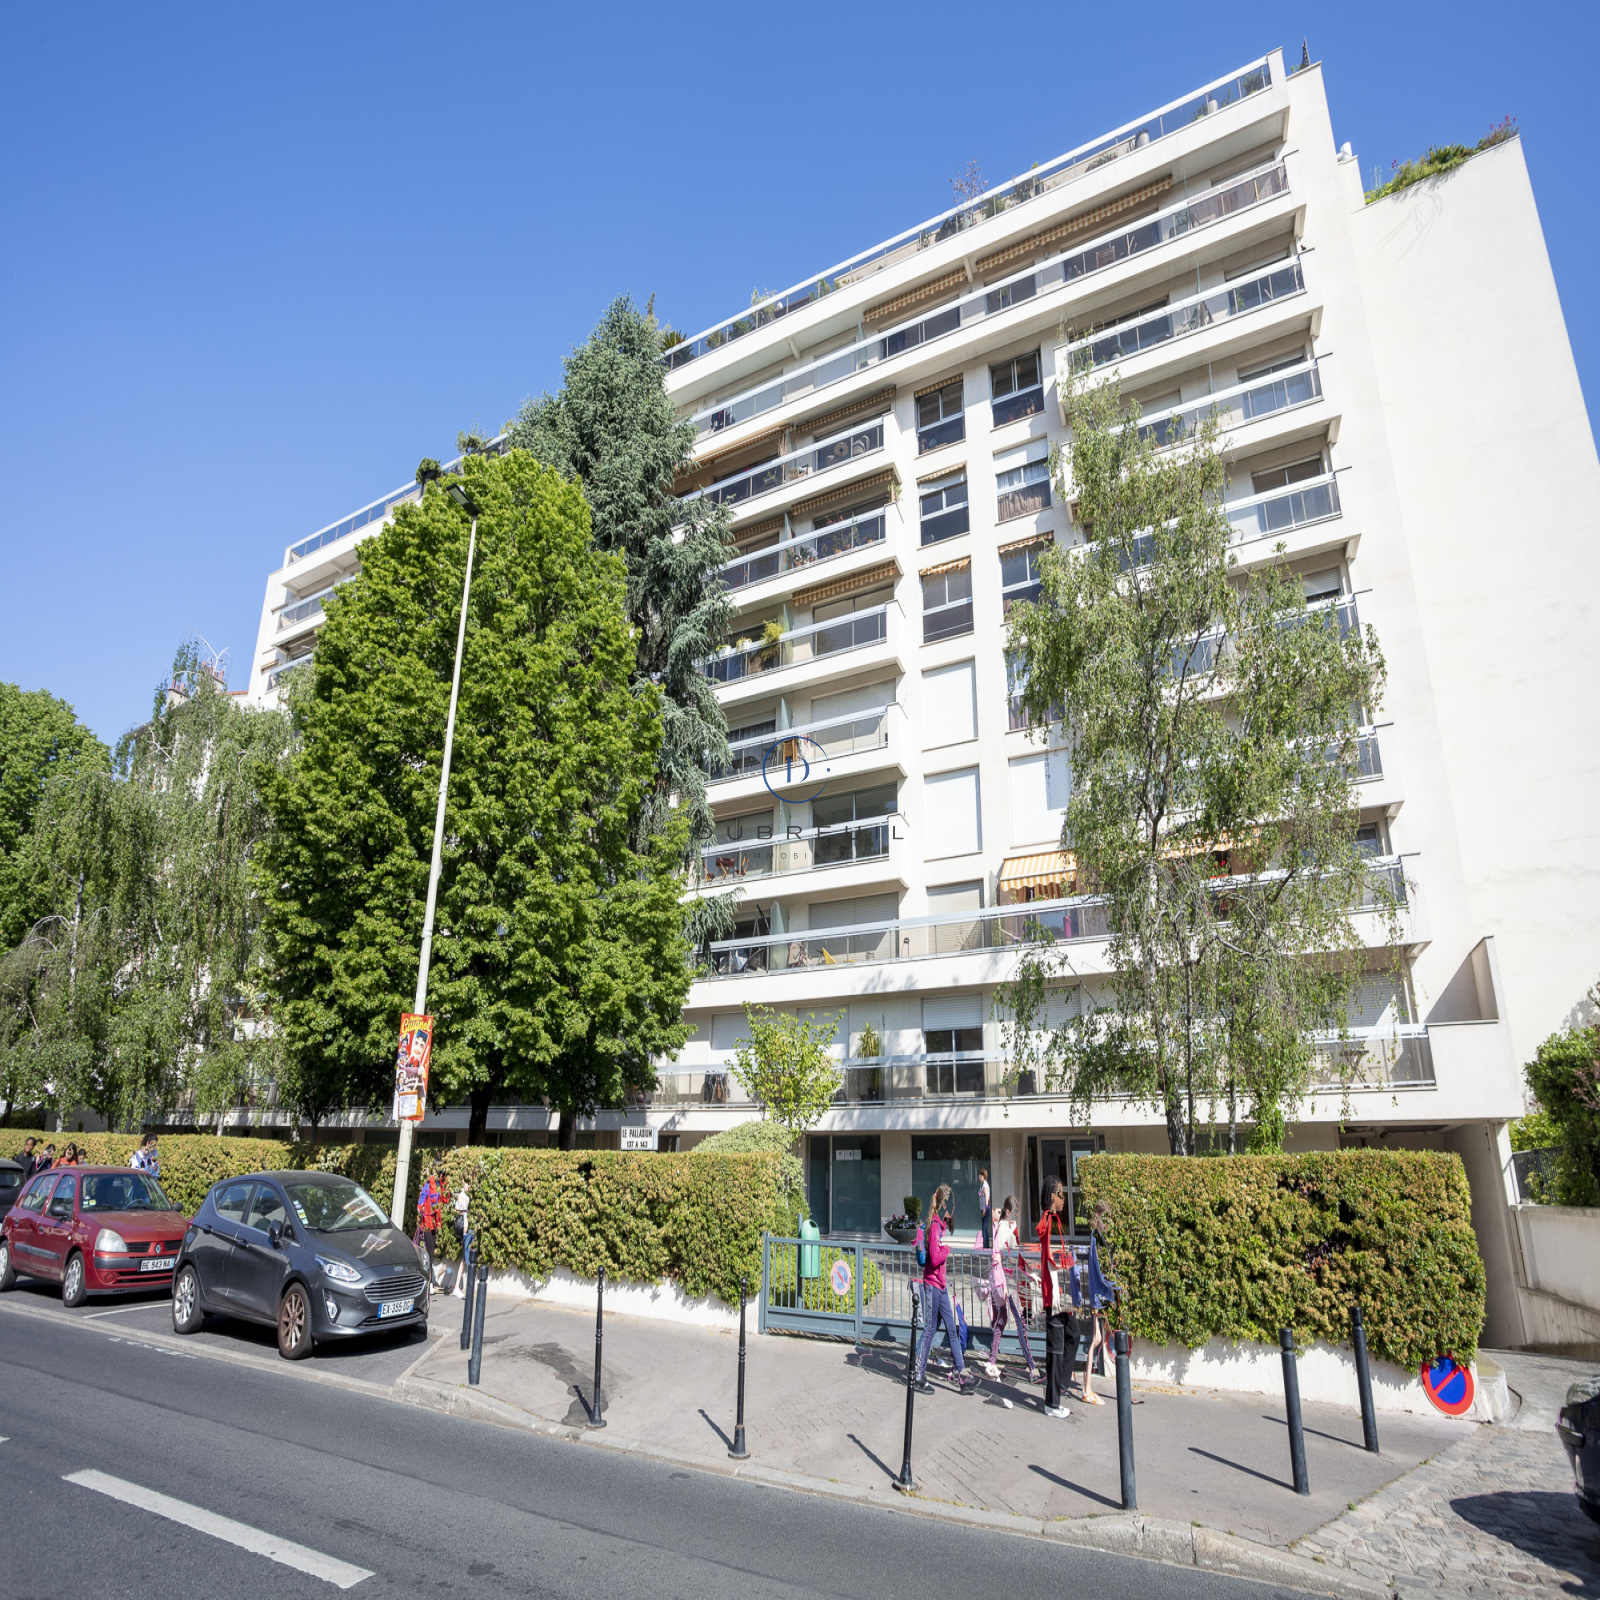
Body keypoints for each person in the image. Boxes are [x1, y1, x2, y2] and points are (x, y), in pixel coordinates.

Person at [913, 1183, 979, 1395]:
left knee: (951, 1328)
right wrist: (947, 1249)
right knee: (930, 1328)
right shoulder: (934, 1226)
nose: (953, 1209)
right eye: (951, 1205)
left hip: (940, 1285)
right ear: (943, 1205)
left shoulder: (939, 1226)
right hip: (932, 1285)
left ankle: (962, 1376)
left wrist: (945, 1236)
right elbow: (934, 1258)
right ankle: (918, 1376)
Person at [983, 1196, 1039, 1384]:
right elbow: (999, 1255)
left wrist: (1030, 1273)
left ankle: (992, 1361)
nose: (1016, 1216)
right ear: (1008, 1212)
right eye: (1015, 1213)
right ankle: (1031, 1366)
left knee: (1003, 1319)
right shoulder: (1004, 1227)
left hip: (1004, 1280)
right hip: (1005, 1281)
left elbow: (1013, 1253)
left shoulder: (1006, 1227)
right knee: (1018, 1321)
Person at [1035, 1175, 1076, 1418]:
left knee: (1072, 1336)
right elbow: (1051, 1258)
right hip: (1054, 1295)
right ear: (1053, 1196)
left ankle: (1058, 1386)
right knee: (1056, 1348)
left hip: (1057, 1293)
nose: (1064, 1199)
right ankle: (1052, 1402)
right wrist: (1055, 1288)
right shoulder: (1049, 1221)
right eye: (1061, 1194)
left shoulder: (1053, 1220)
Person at [1076, 1199, 1121, 1406]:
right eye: (1106, 1219)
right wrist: (1109, 1286)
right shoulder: (1096, 1238)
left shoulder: (1097, 1238)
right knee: (1096, 1339)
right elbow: (1097, 1272)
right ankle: (1086, 1388)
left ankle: (1086, 1385)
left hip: (1098, 1295)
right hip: (1098, 1296)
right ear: (1100, 1217)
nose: (1107, 1224)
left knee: (1097, 1339)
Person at [978, 1168, 992, 1250]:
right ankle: (985, 1245)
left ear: (984, 1176)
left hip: (985, 1208)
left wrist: (984, 1209)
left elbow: (987, 1197)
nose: (979, 1176)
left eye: (981, 1175)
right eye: (979, 1175)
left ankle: (986, 1246)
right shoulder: (983, 1185)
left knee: (985, 1227)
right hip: (984, 1208)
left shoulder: (984, 1186)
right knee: (984, 1226)